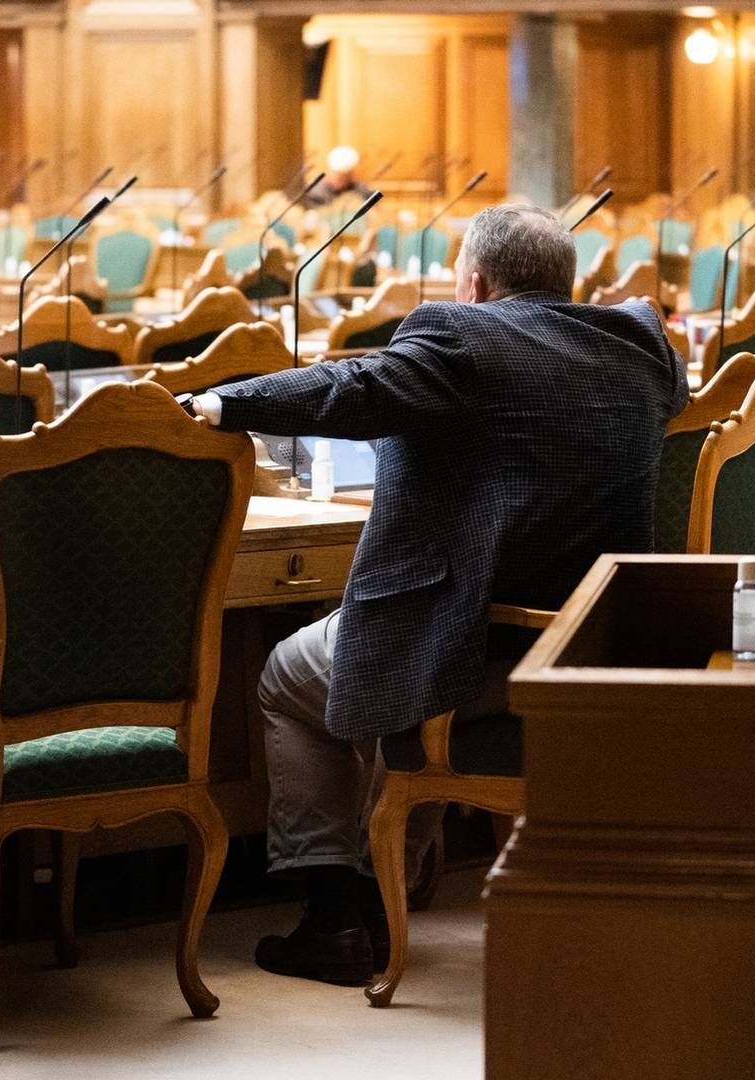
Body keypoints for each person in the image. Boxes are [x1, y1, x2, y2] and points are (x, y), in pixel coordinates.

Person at [180, 204, 690, 985]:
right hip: (592, 653)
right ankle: (393, 888)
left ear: (475, 283)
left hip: (476, 650)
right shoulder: (639, 346)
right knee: (390, 659)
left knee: (288, 674)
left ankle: (334, 917)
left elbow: (355, 386)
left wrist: (222, 404)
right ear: (567, 280)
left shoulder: (461, 333)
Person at [303, 145, 373, 207]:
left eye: (344, 177)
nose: (339, 180)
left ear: (351, 176)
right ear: (328, 172)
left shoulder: (362, 191)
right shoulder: (314, 192)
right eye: (337, 176)